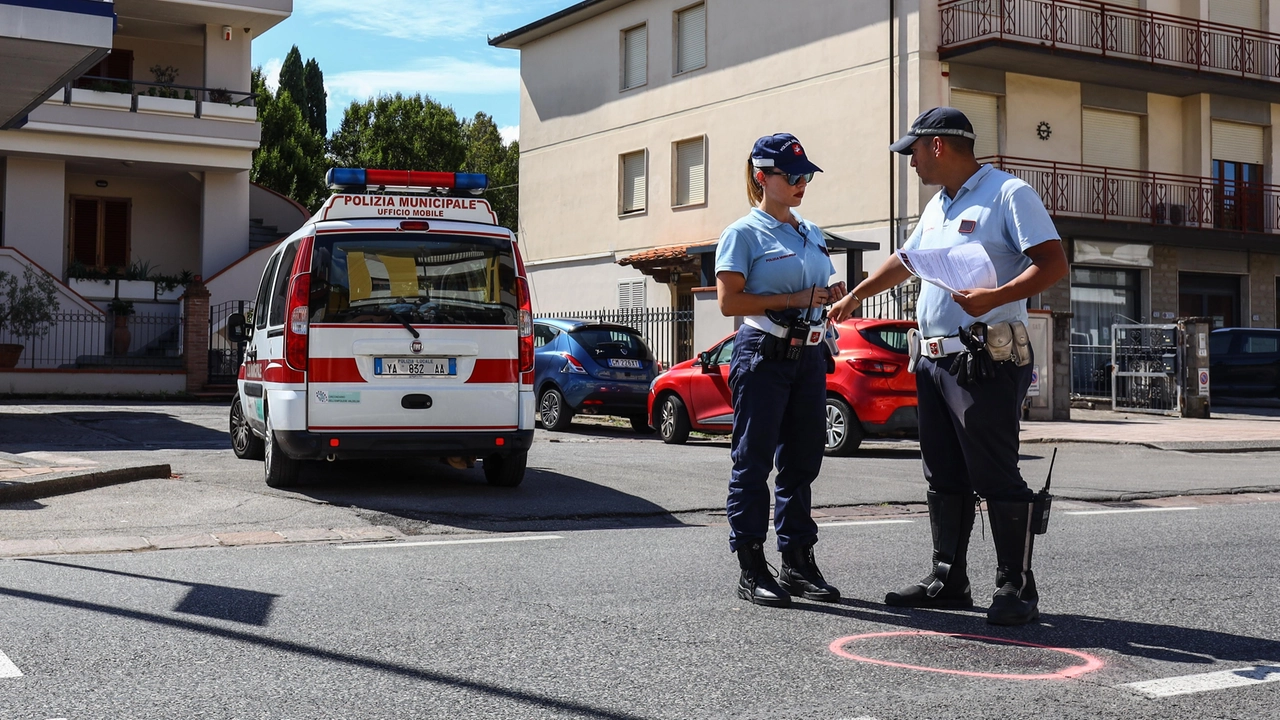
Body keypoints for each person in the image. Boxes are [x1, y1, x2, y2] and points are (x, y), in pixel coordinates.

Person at [830, 108, 1068, 625]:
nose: (909, 161)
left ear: (937, 145)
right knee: (943, 474)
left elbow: (1052, 262)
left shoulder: (1009, 194)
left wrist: (997, 296)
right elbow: (905, 259)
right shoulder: (938, 205)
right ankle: (948, 577)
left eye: (912, 150)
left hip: (985, 357)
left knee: (996, 473)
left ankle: (1015, 585)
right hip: (934, 361)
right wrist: (855, 295)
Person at [715, 133, 846, 608]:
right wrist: (794, 299)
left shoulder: (811, 231)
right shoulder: (743, 234)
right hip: (762, 352)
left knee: (803, 461)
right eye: (790, 175)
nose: (800, 183)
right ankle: (752, 566)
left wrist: (833, 290)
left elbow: (823, 280)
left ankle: (796, 561)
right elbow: (730, 300)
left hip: (809, 353)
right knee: (753, 461)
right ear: (761, 177)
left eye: (805, 174)